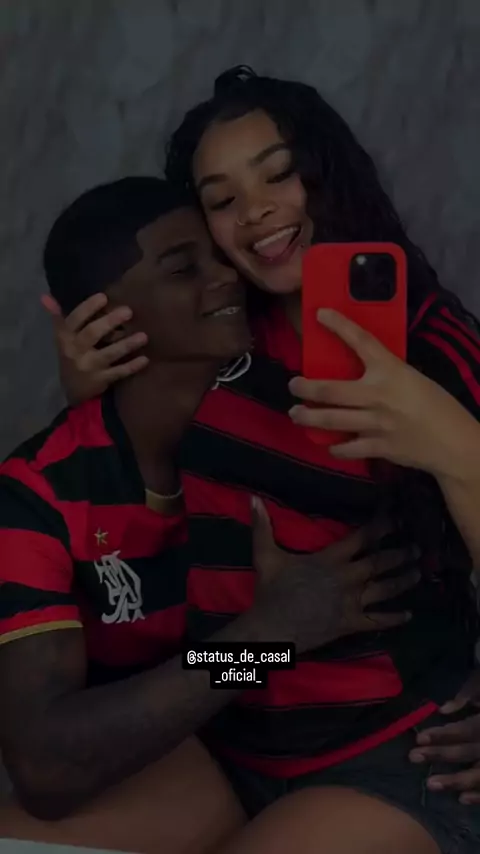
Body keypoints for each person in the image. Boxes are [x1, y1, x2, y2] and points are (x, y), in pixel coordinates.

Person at [44, 69, 480, 853]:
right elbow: (119, 536)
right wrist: (91, 402)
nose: (256, 212)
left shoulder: (433, 351)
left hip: (393, 753)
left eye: (279, 174)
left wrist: (451, 443)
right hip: (227, 722)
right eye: (222, 200)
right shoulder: (206, 337)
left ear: (326, 175)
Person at [0, 176, 416, 854]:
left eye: (219, 256)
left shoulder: (316, 407)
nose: (226, 276)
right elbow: (45, 769)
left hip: (368, 750)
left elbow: (431, 577)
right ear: (106, 318)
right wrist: (266, 638)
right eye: (181, 267)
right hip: (205, 748)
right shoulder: (40, 495)